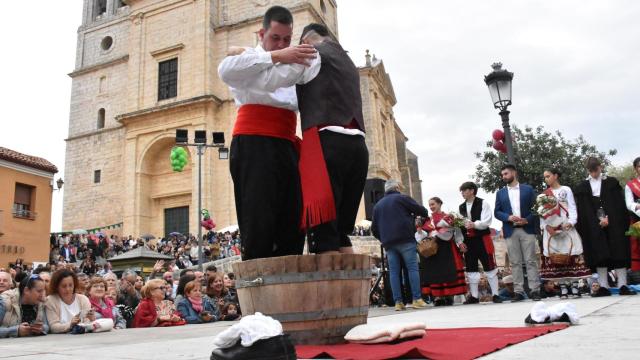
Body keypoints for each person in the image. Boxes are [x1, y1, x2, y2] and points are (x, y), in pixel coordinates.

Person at [248, 23, 368, 254]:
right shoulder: (348, 62)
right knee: (340, 232)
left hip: (327, 141)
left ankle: (331, 290)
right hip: (358, 144)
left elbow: (270, 79)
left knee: (323, 232)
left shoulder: (312, 54)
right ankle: (352, 289)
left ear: (305, 42)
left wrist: (249, 54)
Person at [218, 5, 317, 260]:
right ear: (261, 34)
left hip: (287, 144)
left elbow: (306, 69)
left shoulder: (293, 63)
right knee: (258, 220)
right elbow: (225, 71)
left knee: (294, 220)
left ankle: (288, 287)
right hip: (254, 141)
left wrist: (286, 57)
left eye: (286, 39)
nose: (281, 44)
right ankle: (258, 294)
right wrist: (276, 56)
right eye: (275, 38)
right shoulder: (248, 59)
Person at [574, 157, 637, 296]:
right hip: (594, 226)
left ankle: (622, 285)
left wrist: (611, 219)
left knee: (618, 252)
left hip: (615, 224)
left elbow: (619, 205)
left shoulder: (611, 183)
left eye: (595, 170)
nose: (594, 174)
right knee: (599, 254)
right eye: (591, 171)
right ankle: (603, 286)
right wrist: (597, 222)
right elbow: (583, 211)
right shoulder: (583, 187)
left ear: (600, 167)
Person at [371, 179, 429, 311]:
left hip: (389, 243)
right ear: (397, 188)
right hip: (405, 239)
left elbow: (374, 229)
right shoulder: (402, 198)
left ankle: (398, 302)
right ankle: (416, 299)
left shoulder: (377, 206)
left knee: (394, 272)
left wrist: (383, 239)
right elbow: (422, 211)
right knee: (412, 268)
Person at [538, 168, 591, 297]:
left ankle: (574, 286)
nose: (546, 179)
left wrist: (571, 222)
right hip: (552, 229)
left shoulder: (566, 190)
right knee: (556, 256)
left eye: (548, 176)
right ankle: (562, 287)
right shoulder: (544, 194)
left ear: (555, 176)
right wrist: (547, 227)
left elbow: (572, 206)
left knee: (572, 254)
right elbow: (541, 214)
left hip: (566, 226)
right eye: (545, 177)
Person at [495, 164, 541, 301]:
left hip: (527, 229)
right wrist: (508, 217)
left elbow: (537, 208)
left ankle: (535, 290)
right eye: (502, 174)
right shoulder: (500, 193)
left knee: (531, 260)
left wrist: (527, 220)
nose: (504, 176)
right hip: (510, 230)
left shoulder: (528, 189)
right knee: (515, 262)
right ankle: (519, 291)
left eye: (506, 173)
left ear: (514, 173)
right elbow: (497, 212)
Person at [417, 197, 467, 306]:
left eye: (433, 204)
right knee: (436, 272)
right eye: (430, 205)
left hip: (447, 247)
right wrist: (420, 231)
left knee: (448, 270)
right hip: (433, 249)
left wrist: (460, 242)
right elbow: (423, 236)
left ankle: (449, 296)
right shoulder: (427, 220)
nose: (431, 207)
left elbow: (457, 231)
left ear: (439, 204)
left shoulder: (449, 217)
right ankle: (438, 297)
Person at [459, 182, 502, 304]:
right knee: (471, 268)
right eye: (461, 191)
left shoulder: (483, 203)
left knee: (489, 266)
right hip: (468, 241)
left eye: (464, 190)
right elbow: (457, 226)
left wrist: (474, 224)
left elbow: (487, 220)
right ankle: (474, 296)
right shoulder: (461, 207)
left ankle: (495, 294)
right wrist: (460, 242)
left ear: (472, 191)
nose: (462, 193)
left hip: (482, 238)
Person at [44, 269, 95, 334]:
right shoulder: (50, 300)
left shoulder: (83, 299)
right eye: (63, 286)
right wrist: (70, 325)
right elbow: (53, 327)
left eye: (70, 285)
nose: (68, 289)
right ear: (56, 287)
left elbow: (87, 324)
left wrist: (91, 319)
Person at [624, 157, 640, 272]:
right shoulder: (630, 185)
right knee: (636, 247)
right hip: (636, 220)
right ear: (635, 168)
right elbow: (629, 204)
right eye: (639, 166)